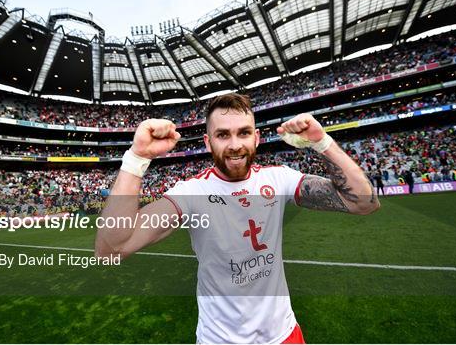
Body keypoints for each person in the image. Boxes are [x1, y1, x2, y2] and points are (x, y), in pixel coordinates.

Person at [95, 93, 379, 344]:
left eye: (243, 133)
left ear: (255, 137)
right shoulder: (193, 192)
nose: (234, 145)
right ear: (208, 142)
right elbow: (110, 250)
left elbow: (363, 202)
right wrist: (137, 158)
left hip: (284, 335)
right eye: (222, 135)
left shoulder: (278, 178)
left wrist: (322, 142)